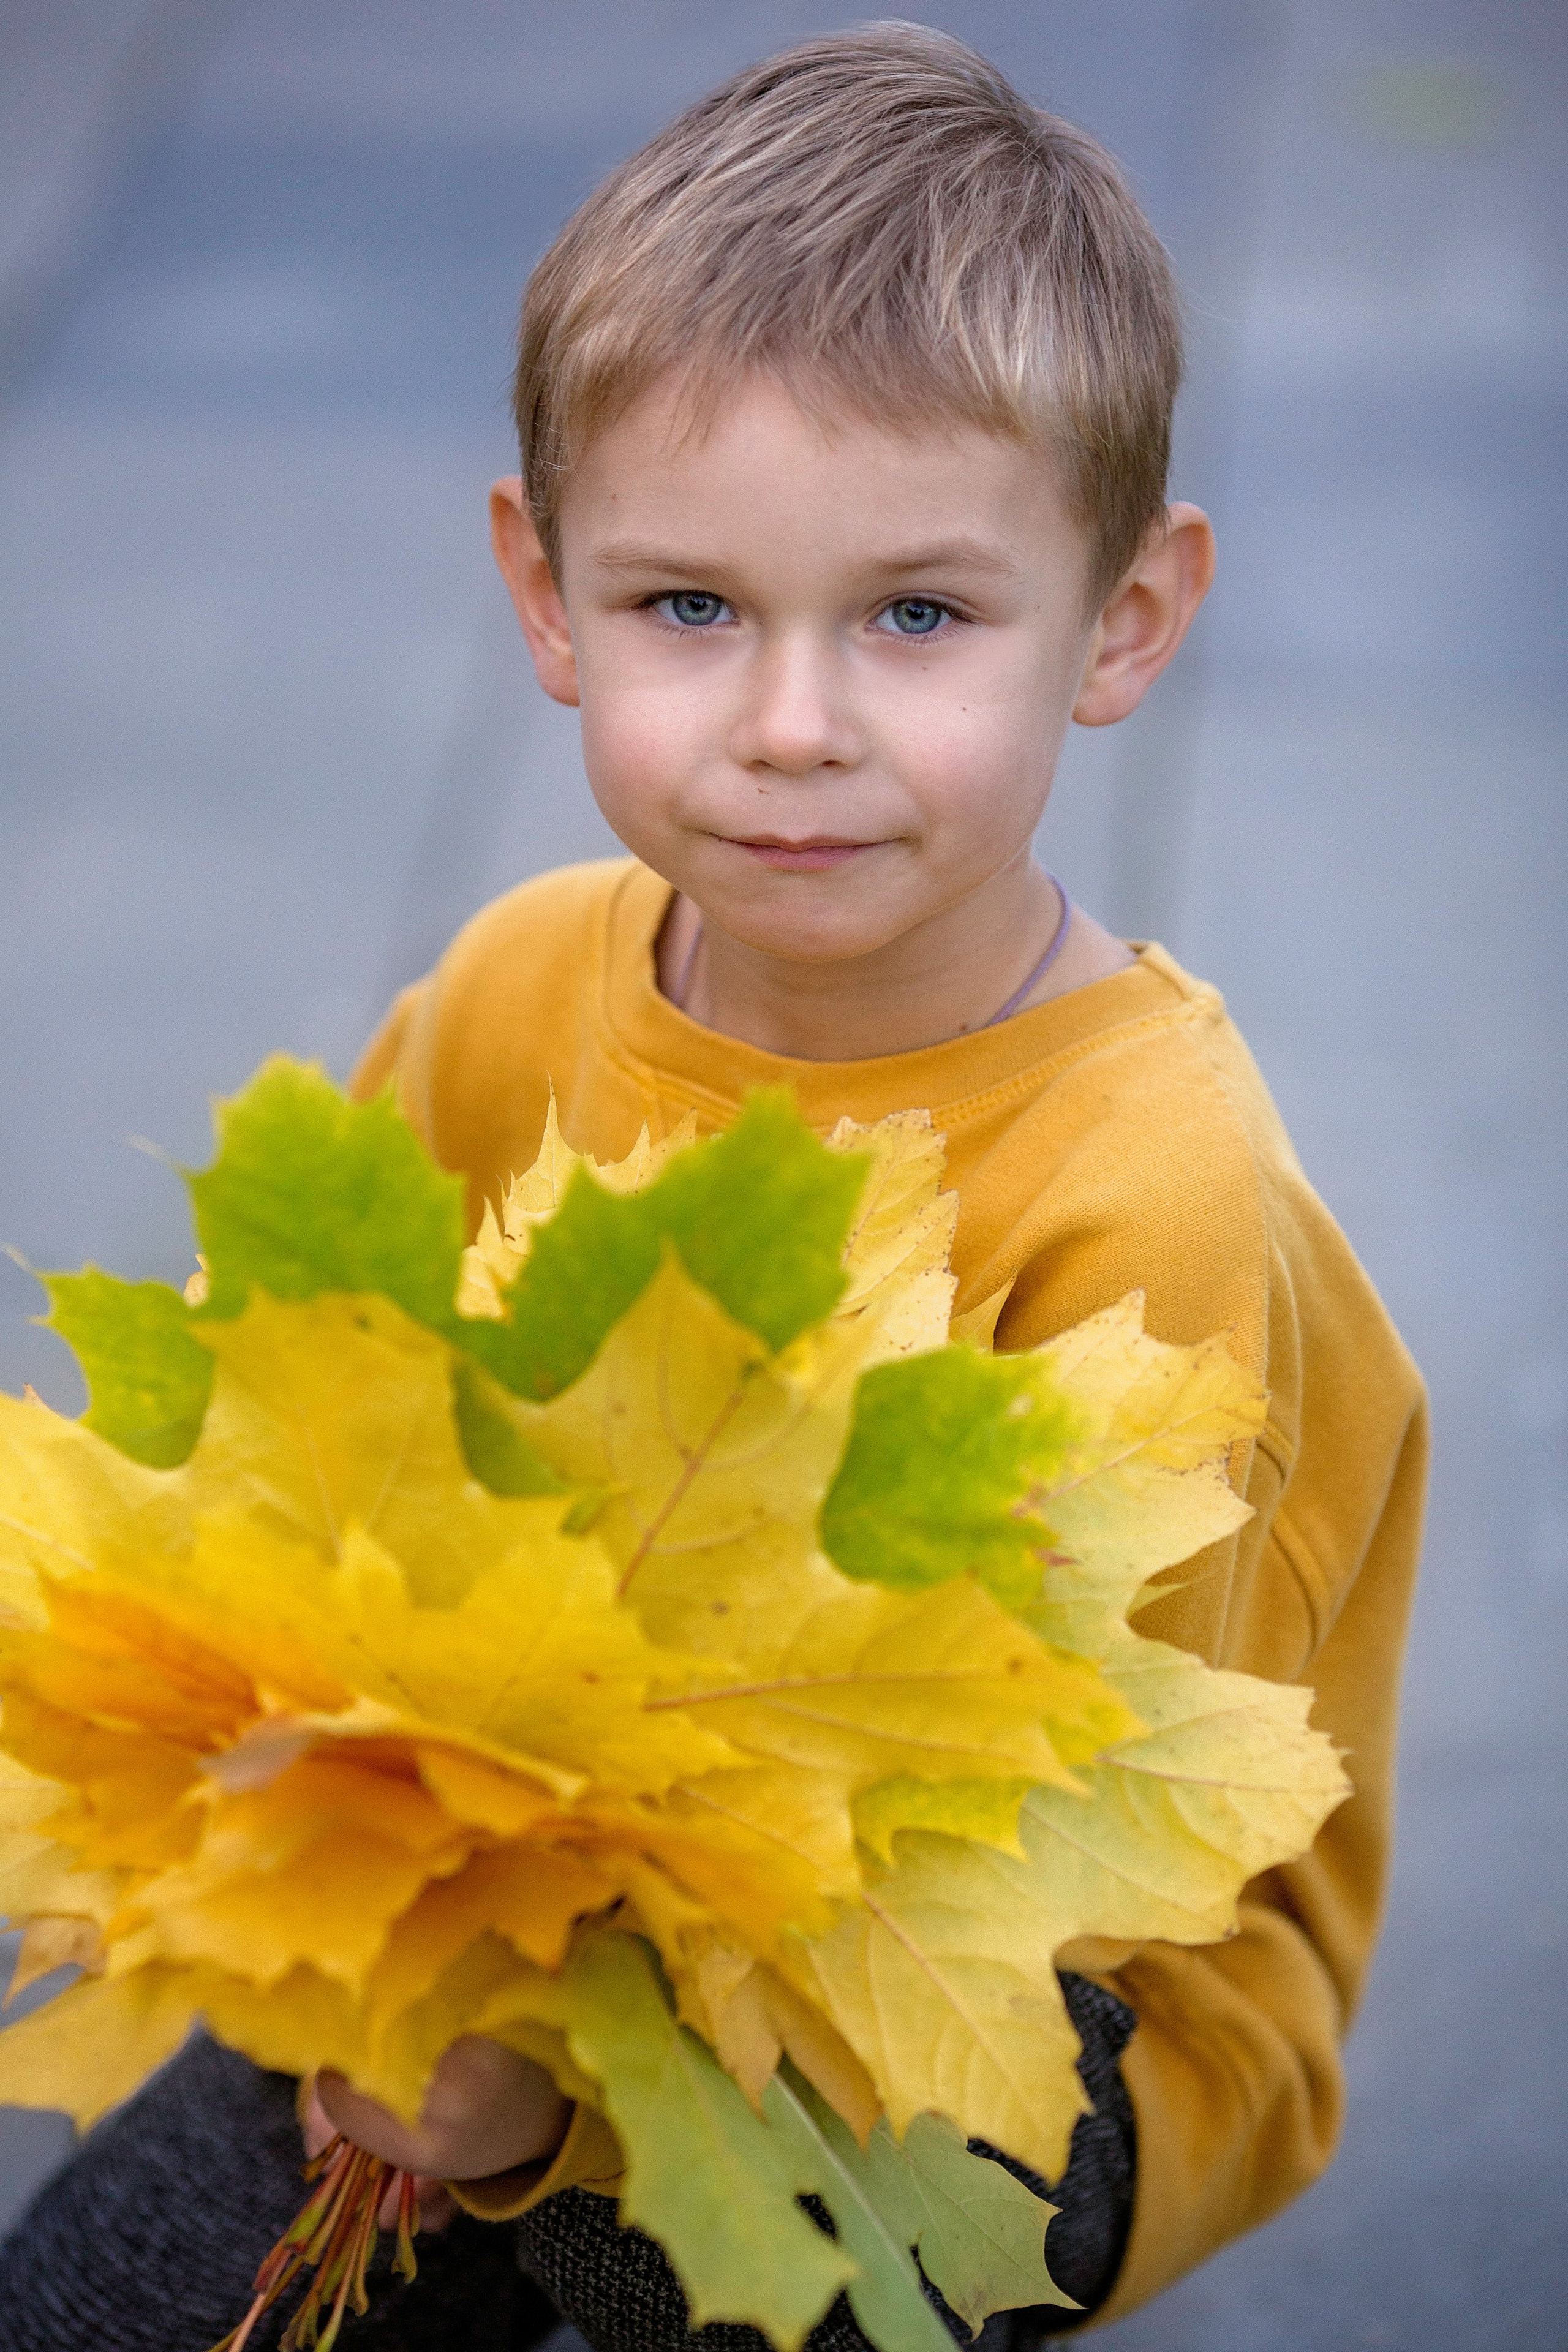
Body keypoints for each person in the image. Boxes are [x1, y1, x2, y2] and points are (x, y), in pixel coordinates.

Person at [0, 24, 1426, 2351]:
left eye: (918, 616)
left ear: (1129, 621)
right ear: (541, 592)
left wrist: (535, 2094)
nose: (790, 723)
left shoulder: (1149, 1196)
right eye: (688, 609)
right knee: (122, 2304)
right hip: (503, 1864)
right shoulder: (503, 994)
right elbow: (303, 1464)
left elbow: (1082, 1864)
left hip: (1007, 2024)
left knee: (727, 2288)